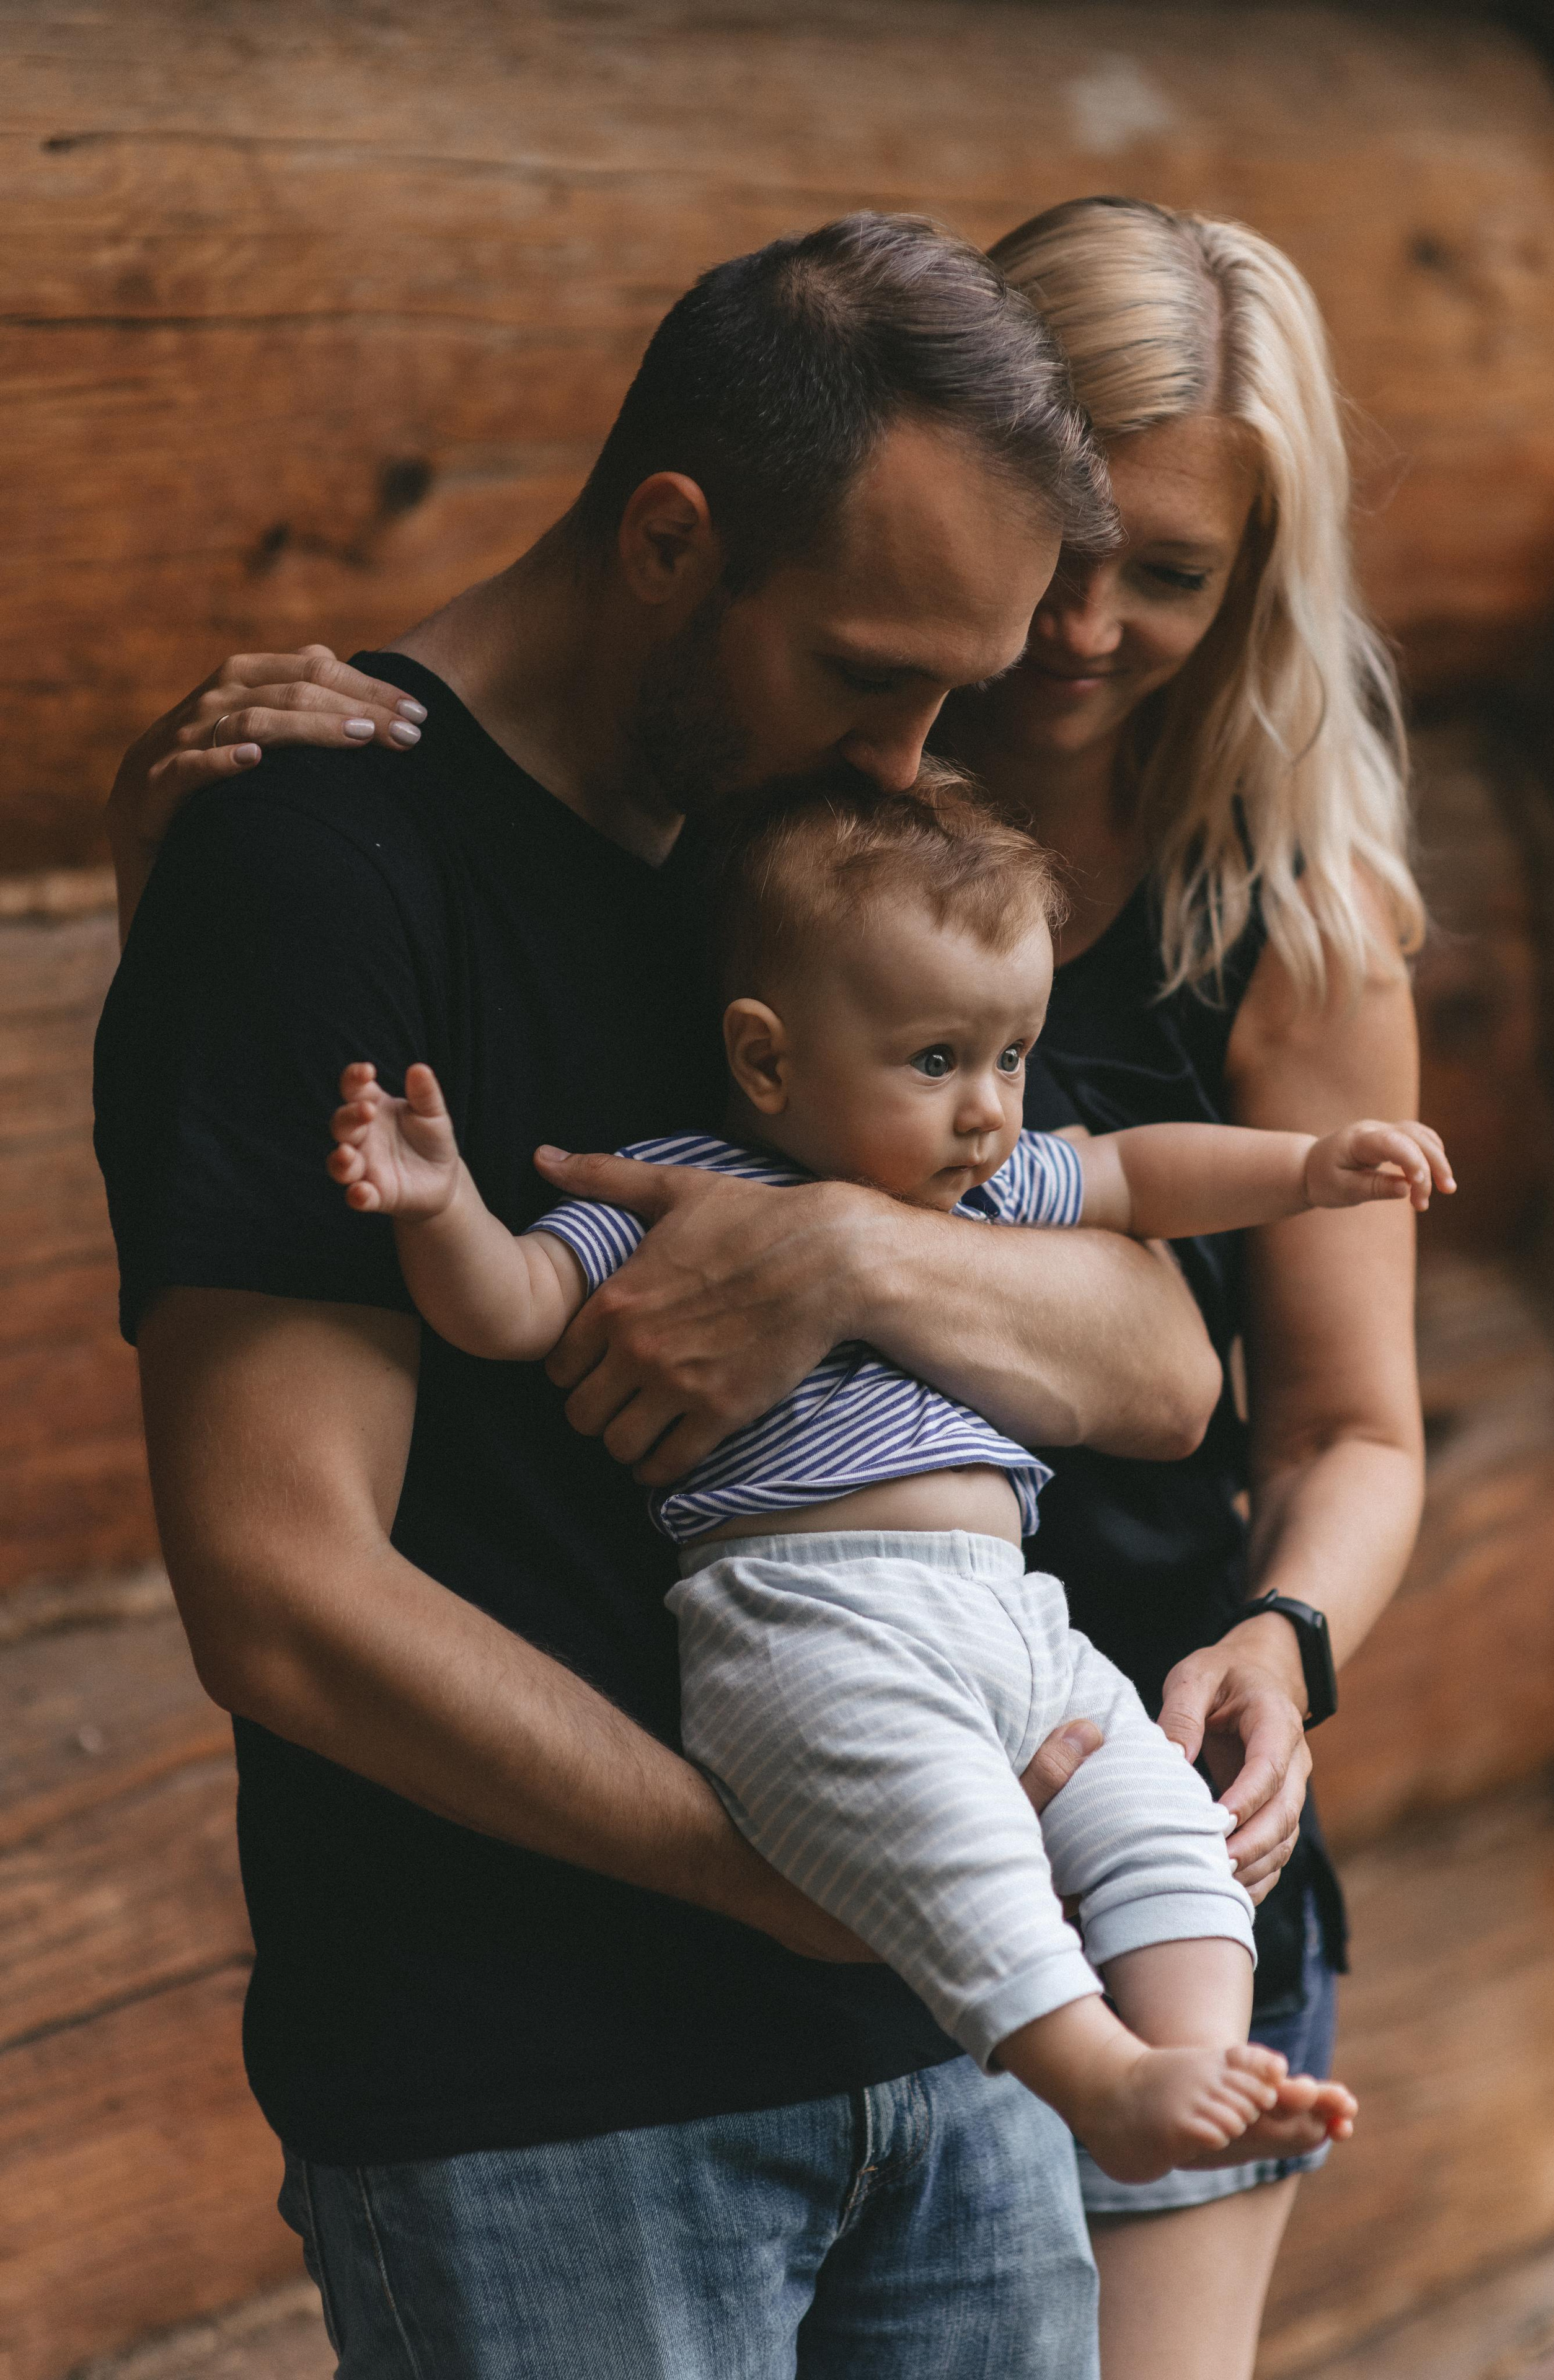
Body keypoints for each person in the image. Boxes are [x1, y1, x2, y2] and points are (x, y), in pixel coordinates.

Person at [103, 198, 1431, 2379]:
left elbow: (1163, 1368)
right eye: (865, 666)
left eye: (955, 687)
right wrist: (794, 1878)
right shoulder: (323, 859)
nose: (916, 753)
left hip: (955, 2042)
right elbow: (277, 1585)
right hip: (547, 2081)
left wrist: (843, 1250)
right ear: (666, 541)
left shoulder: (833, 869)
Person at [324, 765, 1444, 2176]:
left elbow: (1143, 1177)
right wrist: (439, 1210)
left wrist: (1307, 1166)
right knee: (962, 1849)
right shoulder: (676, 1196)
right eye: (935, 1061)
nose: (987, 1108)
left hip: (1011, 1615)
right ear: (766, 1058)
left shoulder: (986, 1184)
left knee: (1156, 1819)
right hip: (808, 1627)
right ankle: (1095, 2081)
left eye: (1011, 1057)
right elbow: (510, 1308)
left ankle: (1193, 2050)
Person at [933, 195, 1431, 2380]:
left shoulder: (1293, 911)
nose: (1087, 623)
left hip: (1148, 1847)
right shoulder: (772, 815)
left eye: (1172, 571)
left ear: (1256, 580)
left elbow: (1355, 1429)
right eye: (1061, 541)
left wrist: (1285, 1641)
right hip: (818, 1796)